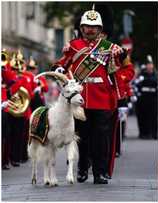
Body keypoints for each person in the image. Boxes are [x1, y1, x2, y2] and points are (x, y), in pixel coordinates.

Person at [52, 5, 134, 184]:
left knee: (101, 139)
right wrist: (59, 69)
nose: (90, 30)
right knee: (82, 137)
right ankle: (82, 168)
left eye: (94, 27)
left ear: (100, 29)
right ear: (81, 28)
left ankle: (100, 172)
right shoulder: (73, 46)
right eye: (87, 26)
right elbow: (61, 64)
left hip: (103, 99)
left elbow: (128, 71)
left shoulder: (112, 48)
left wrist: (116, 77)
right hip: (80, 101)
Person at [134, 55, 158, 139]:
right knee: (143, 117)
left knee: (154, 117)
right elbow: (136, 85)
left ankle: (154, 133)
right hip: (143, 99)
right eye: (148, 64)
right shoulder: (141, 75)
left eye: (150, 64)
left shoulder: (156, 75)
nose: (149, 66)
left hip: (153, 98)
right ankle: (144, 133)